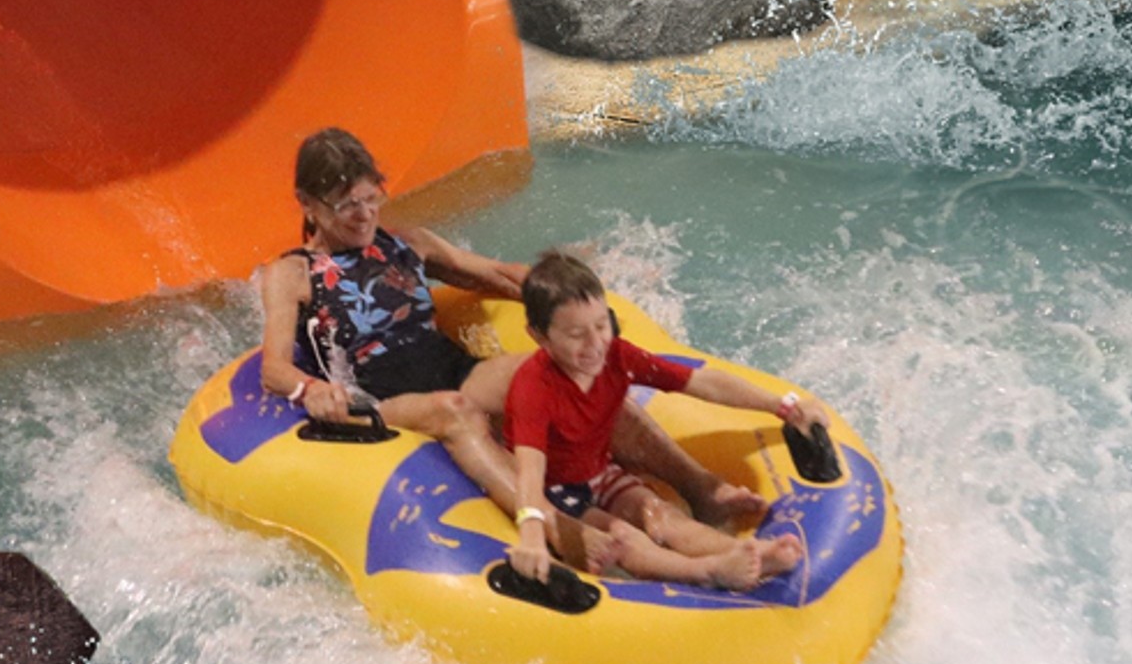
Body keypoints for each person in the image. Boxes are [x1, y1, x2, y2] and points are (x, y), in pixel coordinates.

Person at [257, 129, 764, 559]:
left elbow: (495, 275)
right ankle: (555, 529)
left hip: (453, 371)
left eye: (372, 198)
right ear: (307, 204)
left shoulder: (407, 243)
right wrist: (310, 390)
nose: (364, 215)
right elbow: (274, 367)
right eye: (347, 205)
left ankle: (702, 487)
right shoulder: (293, 273)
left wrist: (570, 300)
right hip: (379, 401)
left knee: (554, 376)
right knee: (453, 410)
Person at [505, 252, 820, 591]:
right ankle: (706, 571)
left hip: (597, 472)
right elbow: (529, 469)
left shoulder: (617, 357)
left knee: (660, 514)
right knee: (621, 538)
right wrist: (533, 534)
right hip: (552, 491)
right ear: (539, 337)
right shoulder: (534, 388)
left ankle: (753, 554)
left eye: (601, 325)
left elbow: (702, 382)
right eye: (576, 334)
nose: (595, 344)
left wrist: (783, 405)